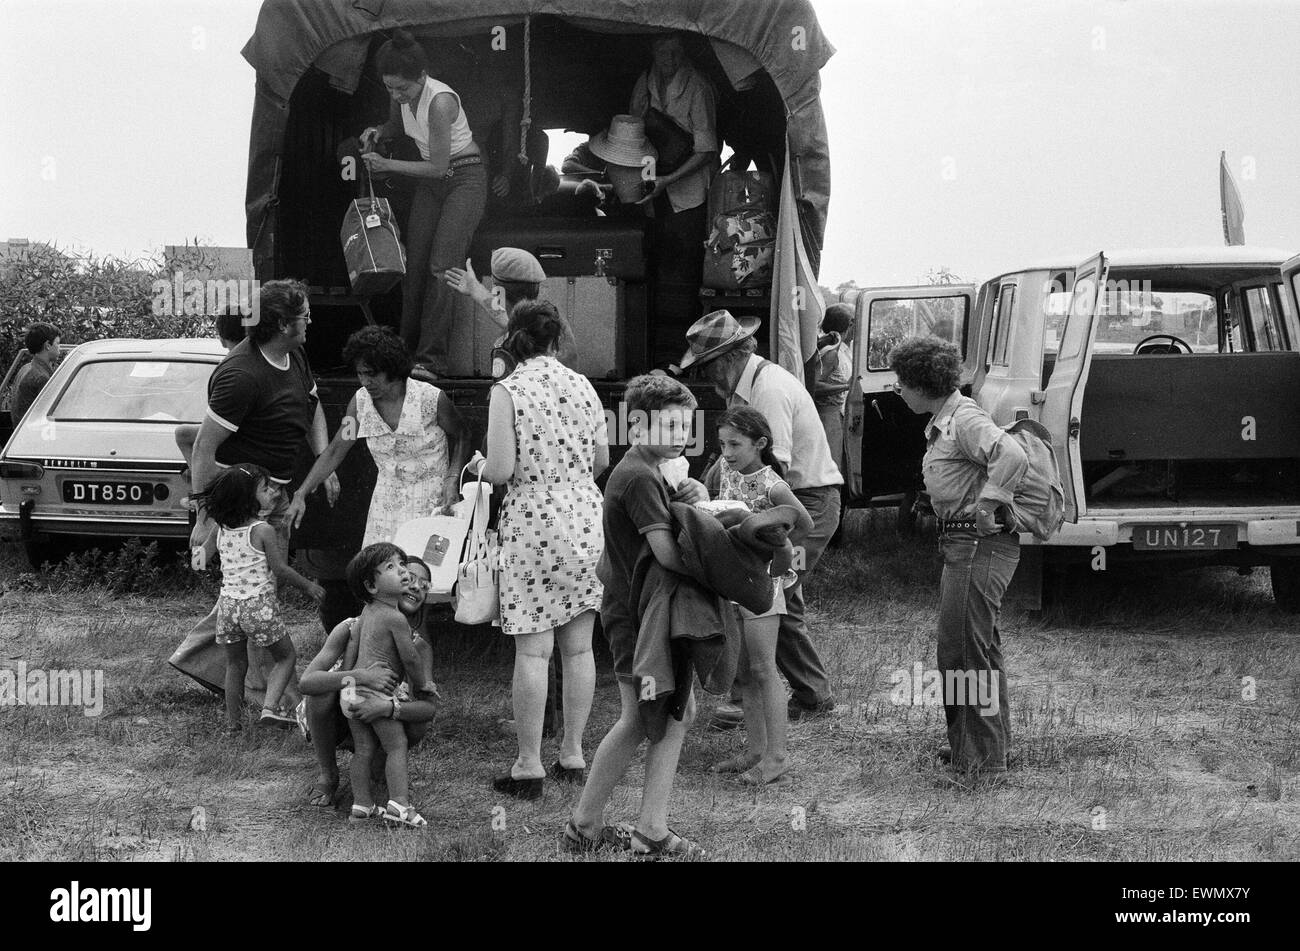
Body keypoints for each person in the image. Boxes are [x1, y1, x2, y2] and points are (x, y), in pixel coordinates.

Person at [171, 280, 334, 711]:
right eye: (304, 316)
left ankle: (202, 662)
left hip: (275, 492)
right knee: (259, 593)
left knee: (252, 593)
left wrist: (324, 460)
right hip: (245, 500)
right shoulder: (240, 376)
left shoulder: (293, 354)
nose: (311, 322)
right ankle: (275, 695)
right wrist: (208, 517)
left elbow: (312, 405)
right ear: (282, 323)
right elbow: (204, 449)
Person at [679, 310, 842, 724]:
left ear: (728, 358)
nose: (705, 377)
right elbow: (732, 462)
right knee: (779, 599)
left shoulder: (767, 389)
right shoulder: (747, 385)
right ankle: (811, 695)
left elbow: (772, 471)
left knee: (758, 593)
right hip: (795, 499)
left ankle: (745, 698)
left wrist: (727, 517)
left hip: (803, 502)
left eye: (706, 366)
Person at [564, 374, 704, 857]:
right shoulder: (640, 476)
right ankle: (586, 824)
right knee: (639, 720)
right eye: (668, 424)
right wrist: (720, 556)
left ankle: (651, 827)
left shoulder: (649, 468)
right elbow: (667, 553)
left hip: (645, 611)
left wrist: (691, 496)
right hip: (638, 617)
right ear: (636, 423)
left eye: (686, 424)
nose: (680, 433)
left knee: (677, 713)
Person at [476, 300, 607, 799]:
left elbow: (503, 471)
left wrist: (477, 466)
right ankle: (573, 756)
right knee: (579, 647)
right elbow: (600, 459)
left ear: (515, 338)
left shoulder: (507, 391)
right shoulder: (584, 385)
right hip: (583, 516)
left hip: (531, 520)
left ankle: (528, 766)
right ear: (557, 339)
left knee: (533, 650)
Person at [890, 337, 1026, 777]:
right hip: (964, 544)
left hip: (977, 544)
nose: (897, 390)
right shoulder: (946, 419)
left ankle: (981, 760)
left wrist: (988, 503)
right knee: (977, 649)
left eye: (901, 383)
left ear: (920, 383)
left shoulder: (963, 418)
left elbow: (1012, 453)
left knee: (962, 654)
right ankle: (984, 744)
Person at [359, 29, 488, 377]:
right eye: (389, 87)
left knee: (441, 268)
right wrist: (379, 132)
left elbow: (438, 166)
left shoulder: (441, 101)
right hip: (433, 185)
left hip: (464, 178)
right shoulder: (401, 95)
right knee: (413, 266)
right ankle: (403, 353)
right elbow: (396, 124)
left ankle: (432, 361)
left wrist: (386, 165)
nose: (397, 95)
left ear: (422, 76)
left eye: (403, 88)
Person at [287, 326, 470, 547]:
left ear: (392, 369)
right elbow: (336, 449)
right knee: (381, 572)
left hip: (433, 503)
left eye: (372, 374)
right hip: (385, 507)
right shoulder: (359, 403)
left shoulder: (432, 399)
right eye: (360, 373)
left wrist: (452, 481)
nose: (365, 381)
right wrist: (301, 492)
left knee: (429, 574)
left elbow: (462, 435)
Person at [706, 407, 811, 786]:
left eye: (735, 444)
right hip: (733, 582)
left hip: (765, 585)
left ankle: (777, 756)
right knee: (745, 671)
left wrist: (774, 546)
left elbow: (804, 522)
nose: (727, 451)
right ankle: (754, 750)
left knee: (765, 669)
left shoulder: (772, 484)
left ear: (760, 444)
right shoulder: (725, 472)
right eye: (722, 443)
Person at [190, 465, 325, 732]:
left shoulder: (221, 528)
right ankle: (270, 708)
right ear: (248, 498)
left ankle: (233, 725)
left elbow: (199, 561)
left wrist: (196, 545)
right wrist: (309, 586)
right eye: (265, 488)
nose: (272, 492)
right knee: (286, 657)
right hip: (258, 607)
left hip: (228, 608)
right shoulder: (263, 530)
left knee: (235, 665)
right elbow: (280, 569)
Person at [299, 554, 438, 810]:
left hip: (384, 715)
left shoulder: (418, 647)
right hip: (341, 713)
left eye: (425, 584)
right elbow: (307, 682)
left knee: (414, 723)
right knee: (321, 694)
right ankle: (328, 774)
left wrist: (389, 709)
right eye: (409, 577)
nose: (416, 586)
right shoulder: (351, 628)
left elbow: (429, 708)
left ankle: (377, 771)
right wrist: (361, 676)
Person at [627, 33, 720, 367]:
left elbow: (707, 150)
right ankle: (650, 358)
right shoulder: (646, 81)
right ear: (652, 49)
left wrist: (668, 180)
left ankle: (682, 362)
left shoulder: (698, 86)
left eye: (676, 51)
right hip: (656, 192)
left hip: (688, 194)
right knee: (651, 272)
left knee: (682, 278)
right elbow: (633, 129)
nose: (670, 57)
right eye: (663, 49)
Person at [339, 543, 434, 826]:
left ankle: (362, 805)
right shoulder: (395, 618)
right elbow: (411, 659)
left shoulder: (367, 612)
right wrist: (423, 684)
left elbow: (353, 652)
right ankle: (399, 805)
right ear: (371, 585)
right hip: (376, 692)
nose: (403, 570)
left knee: (363, 749)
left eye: (400, 563)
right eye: (391, 567)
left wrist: (348, 688)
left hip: (353, 693)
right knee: (396, 745)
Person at [443, 247, 579, 376]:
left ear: (497, 290)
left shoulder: (514, 339)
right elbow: (506, 318)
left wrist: (477, 290)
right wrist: (476, 290)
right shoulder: (552, 319)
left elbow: (507, 321)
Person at [175, 311, 246, 468]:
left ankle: (206, 485)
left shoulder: (229, 369)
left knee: (182, 433)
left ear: (221, 339)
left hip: (240, 437)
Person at [813, 303, 855, 469]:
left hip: (837, 416)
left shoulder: (842, 349)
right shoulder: (831, 353)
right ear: (849, 324)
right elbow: (814, 386)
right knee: (832, 466)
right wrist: (846, 386)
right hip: (828, 417)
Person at [9, 322, 60, 426]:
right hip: (34, 433)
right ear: (47, 346)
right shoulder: (41, 377)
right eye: (57, 343)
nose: (59, 348)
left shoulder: (25, 368)